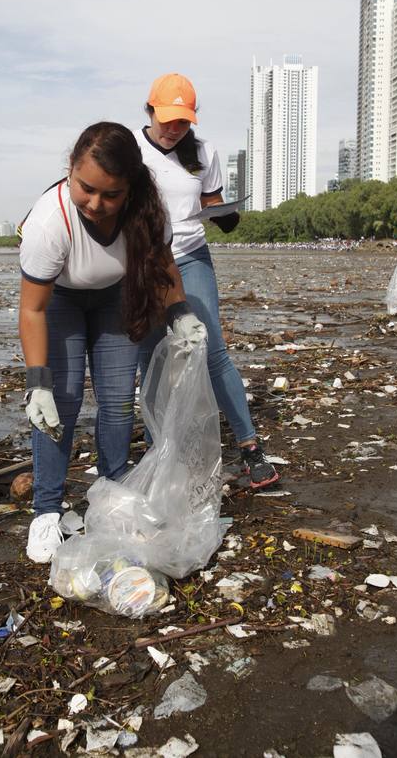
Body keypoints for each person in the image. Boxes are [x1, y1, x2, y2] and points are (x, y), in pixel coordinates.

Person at [19, 121, 206, 563]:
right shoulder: (51, 222)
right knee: (58, 405)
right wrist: (36, 381)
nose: (96, 204)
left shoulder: (146, 209)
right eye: (86, 189)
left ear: (130, 188)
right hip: (60, 300)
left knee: (118, 400)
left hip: (114, 300)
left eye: (111, 195)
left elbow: (162, 267)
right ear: (70, 170)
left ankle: (114, 490)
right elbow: (32, 310)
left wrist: (180, 313)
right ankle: (46, 510)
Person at [134, 73, 279, 490]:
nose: (174, 129)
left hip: (191, 255)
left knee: (212, 348)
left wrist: (225, 216)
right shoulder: (130, 147)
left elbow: (211, 203)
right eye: (167, 120)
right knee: (151, 358)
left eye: (183, 122)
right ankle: (157, 449)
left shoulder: (202, 152)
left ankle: (250, 446)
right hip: (144, 263)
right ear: (150, 111)